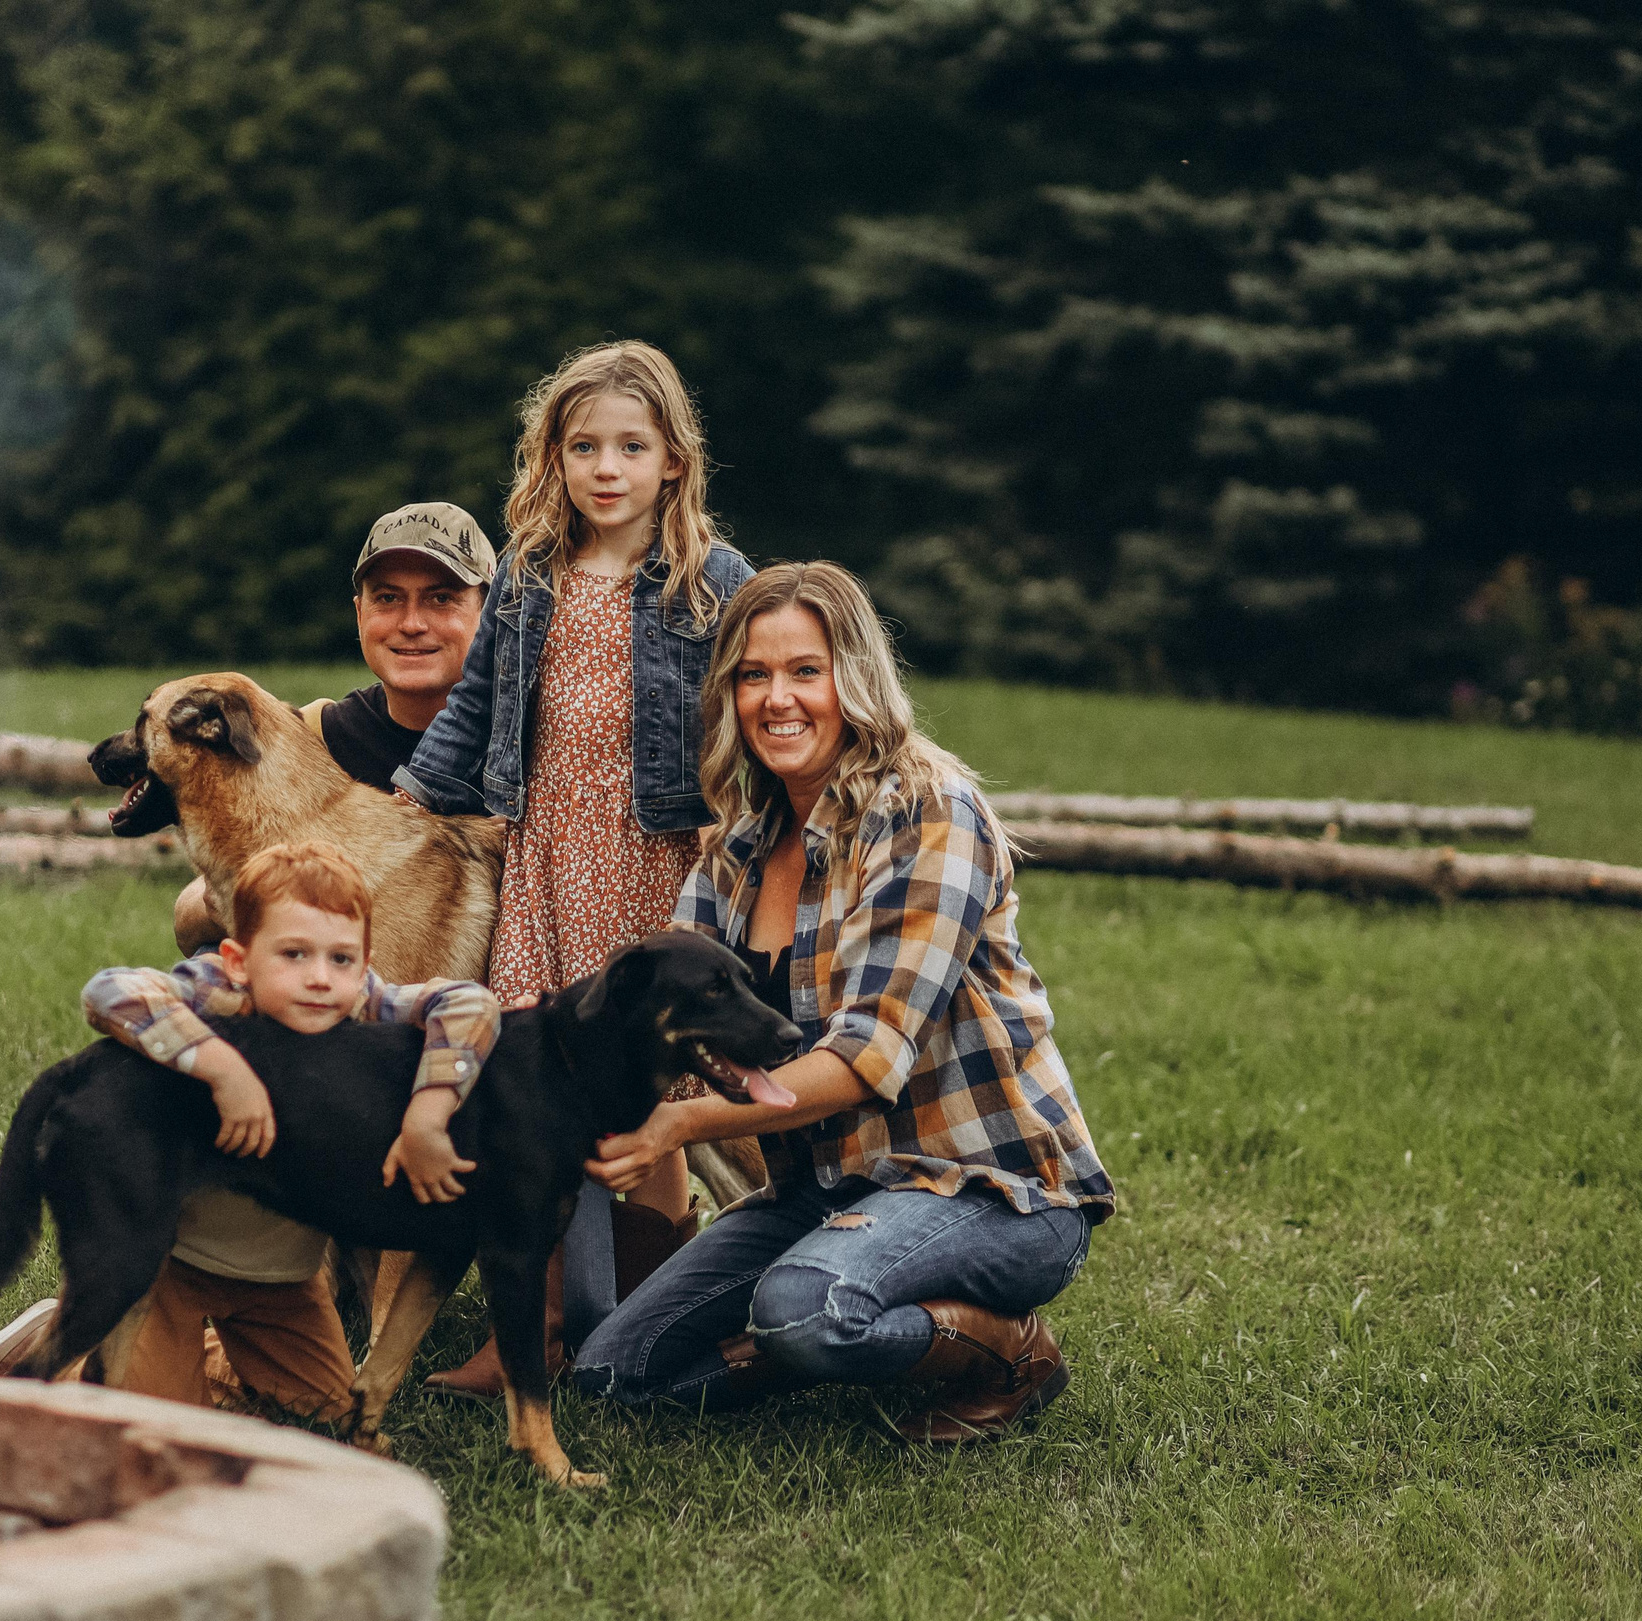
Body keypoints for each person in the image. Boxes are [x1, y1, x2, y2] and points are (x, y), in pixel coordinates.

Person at [572, 562, 1114, 1439]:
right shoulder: (737, 853)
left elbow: (871, 1056)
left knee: (802, 1308)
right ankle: (811, 1330)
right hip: (821, 1190)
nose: (776, 699)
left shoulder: (931, 812)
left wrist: (675, 1127)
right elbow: (656, 1029)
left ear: (854, 678)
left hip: (986, 1191)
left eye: (804, 671)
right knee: (611, 1372)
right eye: (753, 675)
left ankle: (1005, 1349)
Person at [393, 340, 754, 1396]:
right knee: (543, 1080)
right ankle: (544, 1324)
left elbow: (742, 711)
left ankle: (646, 1315)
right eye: (583, 445)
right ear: (551, 458)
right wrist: (409, 802)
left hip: (653, 856)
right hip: (551, 850)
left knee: (646, 1083)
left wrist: (728, 840)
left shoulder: (709, 577)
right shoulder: (529, 572)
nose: (606, 468)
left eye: (630, 447)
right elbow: (476, 706)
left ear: (672, 461)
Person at [0, 841, 500, 1419]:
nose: (319, 978)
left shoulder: (362, 1005)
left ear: (364, 965)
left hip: (283, 1281)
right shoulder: (222, 993)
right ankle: (62, 1350)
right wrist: (221, 1067)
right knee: (151, 1421)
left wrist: (428, 1115)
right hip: (174, 1264)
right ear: (240, 960)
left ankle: (208, 1360)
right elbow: (110, 992)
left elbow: (470, 1004)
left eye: (341, 958)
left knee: (330, 1414)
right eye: (293, 954)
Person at [172, 501, 495, 952]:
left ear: (492, 613)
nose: (412, 623)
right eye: (388, 599)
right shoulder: (313, 740)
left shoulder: (535, 737)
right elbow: (192, 912)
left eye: (441, 599)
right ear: (360, 613)